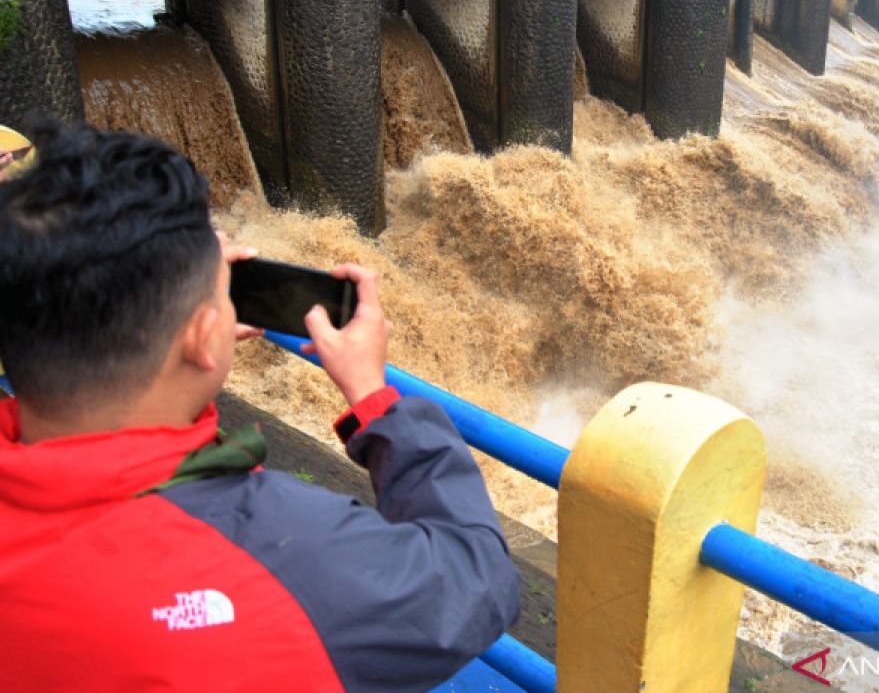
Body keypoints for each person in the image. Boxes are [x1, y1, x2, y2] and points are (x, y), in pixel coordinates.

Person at [0, 121, 521, 691]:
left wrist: (190, 320)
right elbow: (476, 577)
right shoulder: (292, 552)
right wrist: (377, 400)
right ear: (200, 340)